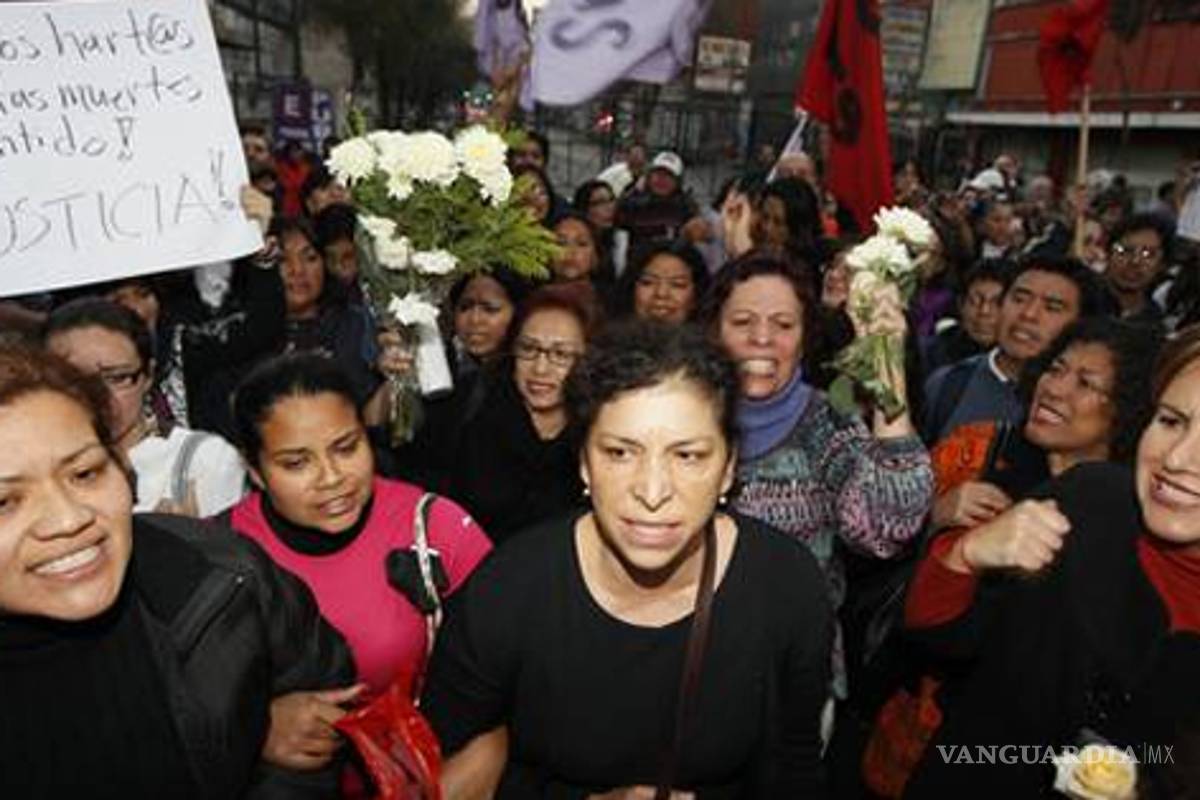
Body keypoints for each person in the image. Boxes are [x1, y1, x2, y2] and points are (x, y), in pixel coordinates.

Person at [422, 321, 835, 797]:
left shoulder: (785, 585)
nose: (653, 492)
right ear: (583, 462)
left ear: (728, 468)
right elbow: (435, 767)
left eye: (688, 456)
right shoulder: (509, 591)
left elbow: (794, 769)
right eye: (620, 452)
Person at [0, 344, 352, 797]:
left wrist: (246, 733)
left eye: (85, 473)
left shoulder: (219, 574)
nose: (69, 520)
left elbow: (321, 696)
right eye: (5, 502)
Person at [901, 324, 1200, 798]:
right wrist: (964, 554)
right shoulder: (1088, 502)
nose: (1180, 458)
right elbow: (938, 637)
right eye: (1172, 421)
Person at [702, 254, 933, 699]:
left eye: (784, 325)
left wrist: (885, 361)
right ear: (714, 330)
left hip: (791, 682)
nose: (762, 338)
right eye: (743, 321)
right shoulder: (679, 412)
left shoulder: (829, 421)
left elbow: (887, 525)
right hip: (684, 665)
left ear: (805, 337)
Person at [227, 353, 491, 698]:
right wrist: (258, 726)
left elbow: (505, 676)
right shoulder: (220, 552)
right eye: (296, 463)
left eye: (346, 448)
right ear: (254, 470)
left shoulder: (438, 530)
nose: (332, 477)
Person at [44, 299, 247, 517]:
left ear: (148, 376)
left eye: (118, 378)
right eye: (75, 380)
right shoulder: (26, 465)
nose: (99, 396)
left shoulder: (205, 461)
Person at [440, 283, 599, 543]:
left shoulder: (600, 427)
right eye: (528, 349)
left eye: (560, 354)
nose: (540, 368)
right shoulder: (472, 406)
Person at [923, 256, 1104, 444]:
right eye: (1019, 299)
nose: (1028, 314)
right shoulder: (948, 383)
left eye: (1051, 308)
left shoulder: (1085, 406)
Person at [272, 216, 381, 408]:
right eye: (283, 259)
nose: (297, 270)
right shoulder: (250, 335)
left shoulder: (354, 323)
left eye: (310, 258)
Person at [917, 260, 1011, 378]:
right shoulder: (931, 353)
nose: (984, 311)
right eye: (975, 301)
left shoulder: (1021, 363)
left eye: (997, 303)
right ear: (961, 305)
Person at [616, 239, 710, 325]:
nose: (661, 293)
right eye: (648, 282)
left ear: (696, 296)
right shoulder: (608, 341)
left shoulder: (712, 341)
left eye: (677, 285)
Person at [1104, 212, 1173, 327]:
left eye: (1148, 254)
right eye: (1125, 251)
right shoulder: (1079, 302)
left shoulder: (1154, 322)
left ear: (1162, 265)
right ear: (1108, 254)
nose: (1135, 261)